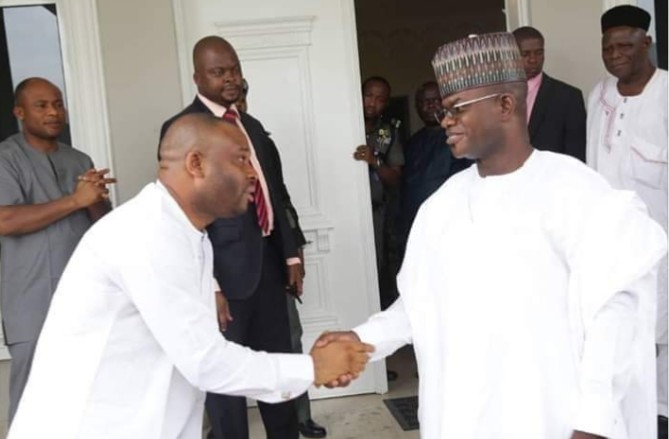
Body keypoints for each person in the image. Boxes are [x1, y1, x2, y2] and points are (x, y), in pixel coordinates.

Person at [320, 32, 667, 439]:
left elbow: (616, 320)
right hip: (460, 419)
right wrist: (362, 339)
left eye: (457, 108)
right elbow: (417, 303)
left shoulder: (578, 193)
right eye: (444, 109)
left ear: (505, 104)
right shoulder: (441, 206)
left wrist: (593, 423)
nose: (445, 120)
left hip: (549, 420)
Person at [7, 114, 372, 438]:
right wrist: (312, 367)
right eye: (241, 159)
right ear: (196, 164)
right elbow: (205, 361)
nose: (252, 173)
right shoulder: (145, 233)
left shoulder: (188, 233)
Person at [159, 36, 310, 439]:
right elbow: (181, 213)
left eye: (234, 69)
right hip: (222, 279)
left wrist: (291, 255)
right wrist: (208, 284)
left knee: (277, 373)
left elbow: (275, 193)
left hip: (270, 271)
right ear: (197, 77)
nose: (230, 78)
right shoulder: (183, 129)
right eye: (218, 72)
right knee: (226, 386)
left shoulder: (251, 126)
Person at [0, 77, 114, 424]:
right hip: (30, 296)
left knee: (88, 389)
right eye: (42, 105)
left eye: (58, 104)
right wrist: (75, 200)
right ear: (20, 112)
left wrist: (94, 199)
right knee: (32, 398)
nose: (53, 112)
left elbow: (104, 227)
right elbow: (5, 220)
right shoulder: (6, 158)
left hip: (83, 294)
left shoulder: (79, 159)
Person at [585, 5, 669, 438]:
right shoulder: (598, 97)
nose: (615, 54)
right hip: (611, 248)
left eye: (625, 45)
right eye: (608, 48)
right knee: (617, 338)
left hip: (662, 249)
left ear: (646, 43)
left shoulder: (666, 93)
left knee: (661, 341)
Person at [236, 79, 328, 438]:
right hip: (231, 269)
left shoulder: (260, 137)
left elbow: (280, 197)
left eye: (243, 96)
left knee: (288, 339)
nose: (238, 103)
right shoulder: (202, 138)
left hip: (274, 260)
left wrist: (294, 251)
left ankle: (300, 416)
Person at [353, 76, 404, 313]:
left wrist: (374, 161)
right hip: (343, 210)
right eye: (368, 95)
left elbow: (395, 178)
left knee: (375, 268)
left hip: (375, 213)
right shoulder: (342, 120)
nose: (372, 103)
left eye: (380, 99)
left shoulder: (387, 132)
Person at [401, 80, 471, 239]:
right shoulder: (412, 143)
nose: (430, 105)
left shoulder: (460, 137)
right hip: (416, 223)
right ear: (417, 106)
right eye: (424, 101)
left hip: (450, 222)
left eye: (436, 100)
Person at [512, 26, 587, 161]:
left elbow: (576, 155)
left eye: (539, 53)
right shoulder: (495, 95)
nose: (533, 60)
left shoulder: (568, 97)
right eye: (525, 54)